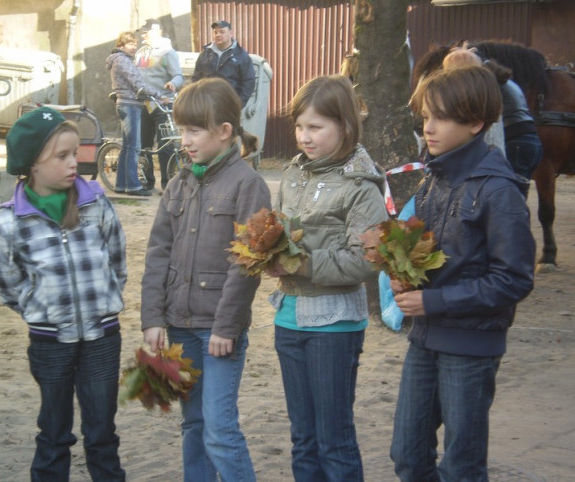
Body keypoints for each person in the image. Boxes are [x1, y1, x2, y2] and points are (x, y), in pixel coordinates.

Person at [389, 66, 535, 481]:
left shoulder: (499, 189)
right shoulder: (433, 179)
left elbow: (514, 279)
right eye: (424, 117)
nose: (428, 128)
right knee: (408, 456)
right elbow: (432, 254)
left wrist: (432, 300)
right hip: (424, 338)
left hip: (471, 347)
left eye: (440, 118)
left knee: (461, 466)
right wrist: (404, 273)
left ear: (475, 122)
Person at [0, 106, 127, 481]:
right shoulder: (9, 221)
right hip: (50, 343)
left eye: (75, 152)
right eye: (61, 156)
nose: (73, 163)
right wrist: (39, 307)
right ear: (32, 163)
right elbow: (6, 281)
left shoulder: (95, 205)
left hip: (102, 337)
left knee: (102, 434)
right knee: (54, 433)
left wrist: (104, 301)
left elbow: (116, 258)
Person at [141, 77, 270, 482]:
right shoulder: (178, 184)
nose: (185, 140)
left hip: (218, 333)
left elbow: (246, 265)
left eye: (193, 130)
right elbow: (158, 253)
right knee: (193, 425)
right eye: (182, 130)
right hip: (178, 326)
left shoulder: (249, 186)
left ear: (224, 132)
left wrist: (226, 326)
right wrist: (153, 318)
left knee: (219, 430)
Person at [265, 75, 389, 481]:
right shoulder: (294, 173)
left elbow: (366, 261)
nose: (304, 136)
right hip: (288, 318)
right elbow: (281, 231)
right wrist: (265, 252)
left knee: (333, 440)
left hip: (334, 324)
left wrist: (300, 263)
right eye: (299, 126)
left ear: (346, 126)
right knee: (303, 439)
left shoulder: (361, 186)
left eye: (315, 127)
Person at [443, 47, 543, 186]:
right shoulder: (502, 83)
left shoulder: (480, 92)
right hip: (530, 141)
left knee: (508, 195)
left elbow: (491, 140)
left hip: (515, 142)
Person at [106, 30, 161, 196]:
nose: (133, 47)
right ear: (121, 45)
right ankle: (133, 186)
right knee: (134, 147)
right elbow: (138, 85)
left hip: (127, 104)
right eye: (130, 44)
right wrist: (160, 96)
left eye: (135, 45)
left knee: (127, 147)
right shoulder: (122, 61)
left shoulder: (121, 60)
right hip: (129, 105)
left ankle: (121, 185)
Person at [135, 19, 184, 192]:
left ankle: (167, 184)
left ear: (157, 32)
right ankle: (148, 182)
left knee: (165, 146)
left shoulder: (167, 52)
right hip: (144, 105)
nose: (143, 35)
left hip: (163, 105)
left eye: (146, 31)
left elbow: (178, 75)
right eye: (142, 31)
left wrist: (173, 84)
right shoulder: (140, 52)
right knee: (144, 146)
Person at [192, 20, 255, 109]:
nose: (218, 35)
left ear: (230, 33)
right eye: (215, 32)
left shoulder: (241, 55)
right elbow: (196, 78)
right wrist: (198, 99)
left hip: (229, 106)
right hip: (206, 105)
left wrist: (238, 105)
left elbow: (249, 82)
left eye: (222, 32)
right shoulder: (205, 53)